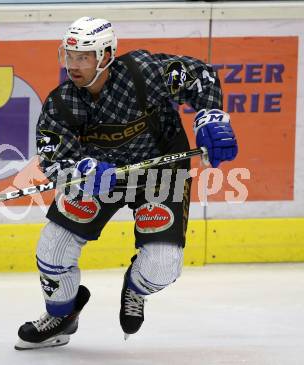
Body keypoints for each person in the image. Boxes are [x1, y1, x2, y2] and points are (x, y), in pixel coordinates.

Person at [14, 16, 237, 350]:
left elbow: (201, 76)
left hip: (161, 172)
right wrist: (79, 170)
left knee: (163, 265)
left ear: (105, 56)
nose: (73, 66)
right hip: (100, 178)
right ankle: (62, 314)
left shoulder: (142, 71)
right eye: (69, 56)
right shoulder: (61, 102)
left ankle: (135, 287)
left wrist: (210, 116)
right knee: (53, 246)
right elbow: (55, 161)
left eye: (84, 56)